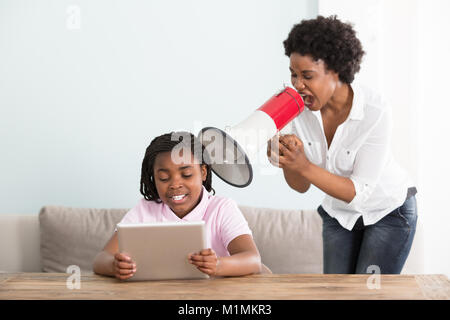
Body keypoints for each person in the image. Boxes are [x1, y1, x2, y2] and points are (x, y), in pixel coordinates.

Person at [267, 15, 417, 274]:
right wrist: (288, 160)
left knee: (368, 293)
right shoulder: (295, 109)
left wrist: (303, 164)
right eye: (293, 74)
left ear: (335, 71)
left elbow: (358, 193)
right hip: (339, 214)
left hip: (388, 211)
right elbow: (300, 186)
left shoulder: (374, 110)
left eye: (307, 76)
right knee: (335, 292)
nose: (297, 85)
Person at [93, 131, 269, 280]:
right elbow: (100, 259)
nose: (175, 184)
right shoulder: (145, 210)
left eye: (186, 174)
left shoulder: (222, 209)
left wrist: (218, 265)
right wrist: (114, 265)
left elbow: (252, 259)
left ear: (203, 172)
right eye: (163, 178)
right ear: (154, 179)